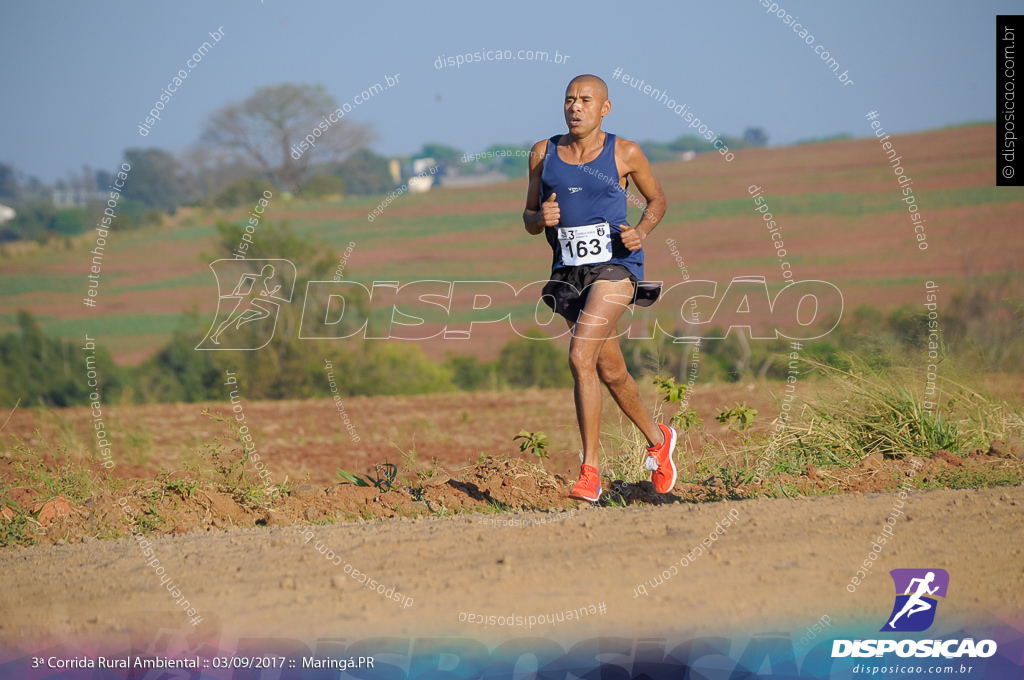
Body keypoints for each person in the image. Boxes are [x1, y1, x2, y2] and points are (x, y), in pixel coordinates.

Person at [522, 74, 675, 502]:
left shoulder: (624, 152)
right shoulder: (542, 153)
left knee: (579, 355)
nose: (575, 107)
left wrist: (642, 230)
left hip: (615, 268)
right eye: (569, 99)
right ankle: (658, 440)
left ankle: (590, 471)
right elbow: (530, 217)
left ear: (604, 108)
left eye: (585, 100)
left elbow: (658, 199)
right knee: (610, 370)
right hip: (570, 274)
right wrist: (541, 219)